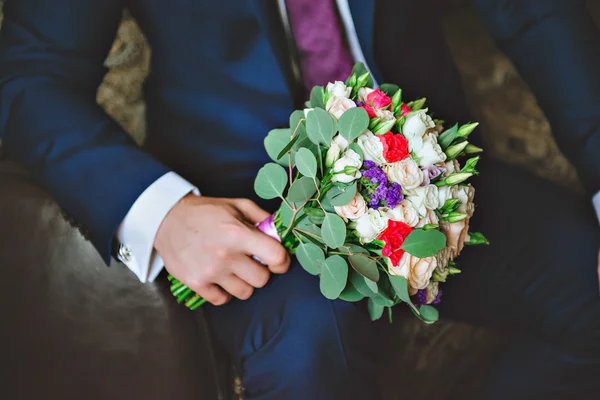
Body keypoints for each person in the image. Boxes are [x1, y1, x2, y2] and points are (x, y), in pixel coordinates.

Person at [0, 0, 598, 398]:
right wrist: (162, 213)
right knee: (308, 356)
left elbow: (535, 12)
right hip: (241, 198)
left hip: (423, 172)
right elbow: (28, 74)